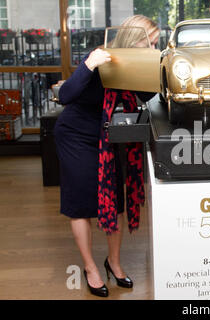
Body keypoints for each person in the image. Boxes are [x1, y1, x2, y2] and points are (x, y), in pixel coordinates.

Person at [54, 15, 159, 298]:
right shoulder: (100, 56)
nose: (152, 49)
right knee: (80, 205)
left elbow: (146, 95)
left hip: (109, 136)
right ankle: (90, 268)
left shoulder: (136, 64)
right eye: (149, 43)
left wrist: (159, 71)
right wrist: (89, 65)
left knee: (116, 201)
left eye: (155, 45)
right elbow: (65, 95)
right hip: (76, 135)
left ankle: (113, 262)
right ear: (133, 40)